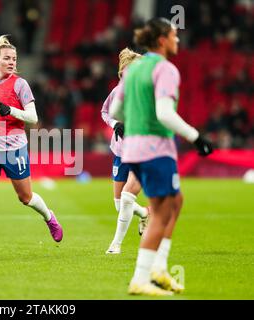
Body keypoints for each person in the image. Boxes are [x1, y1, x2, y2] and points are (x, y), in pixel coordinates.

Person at [110, 18, 213, 296]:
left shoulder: (133, 72)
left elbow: (117, 111)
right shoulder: (166, 70)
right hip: (156, 148)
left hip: (131, 149)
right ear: (161, 41)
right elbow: (165, 113)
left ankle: (159, 269)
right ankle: (144, 276)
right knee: (162, 212)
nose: (178, 41)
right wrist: (196, 137)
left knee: (174, 202)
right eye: (174, 36)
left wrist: (137, 120)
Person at [0, 35, 63, 260]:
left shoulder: (20, 84)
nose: (12, 62)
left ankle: (49, 217)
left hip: (14, 147)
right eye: (7, 58)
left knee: (25, 197)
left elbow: (33, 117)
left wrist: (12, 111)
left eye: (14, 59)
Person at [101, 48, 149, 255]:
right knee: (119, 203)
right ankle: (145, 213)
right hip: (121, 151)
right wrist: (114, 124)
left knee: (128, 197)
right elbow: (104, 112)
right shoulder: (116, 92)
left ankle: (116, 245)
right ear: (122, 74)